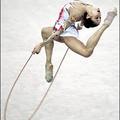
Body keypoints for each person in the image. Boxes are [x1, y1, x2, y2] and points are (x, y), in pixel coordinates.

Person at [32, 0, 117, 82]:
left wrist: (41, 44)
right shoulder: (87, 6)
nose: (99, 13)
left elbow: (58, 32)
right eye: (99, 17)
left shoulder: (77, 14)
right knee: (44, 31)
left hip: (65, 33)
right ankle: (48, 63)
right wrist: (79, 25)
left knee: (87, 52)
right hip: (61, 27)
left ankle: (106, 24)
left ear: (88, 16)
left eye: (97, 17)